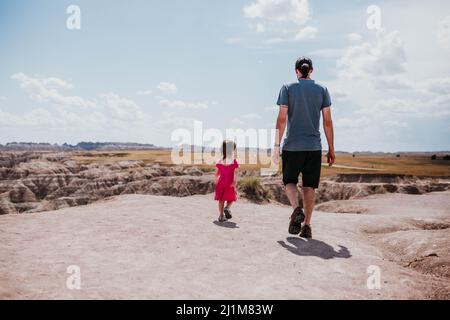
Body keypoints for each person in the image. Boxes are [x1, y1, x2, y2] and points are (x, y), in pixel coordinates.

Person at [272, 57, 335, 239]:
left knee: (289, 182)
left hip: (292, 146)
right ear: (311, 70)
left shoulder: (287, 88)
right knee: (309, 187)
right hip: (314, 147)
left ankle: (296, 208)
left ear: (296, 71)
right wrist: (331, 148)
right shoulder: (322, 90)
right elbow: (328, 122)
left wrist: (276, 145)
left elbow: (282, 118)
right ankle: (306, 225)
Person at [214, 140, 239, 222]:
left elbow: (217, 173)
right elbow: (235, 173)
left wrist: (216, 181)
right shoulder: (234, 161)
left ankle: (221, 216)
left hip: (221, 182)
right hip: (230, 182)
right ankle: (227, 208)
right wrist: (234, 182)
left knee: (221, 200)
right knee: (232, 198)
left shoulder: (219, 161)